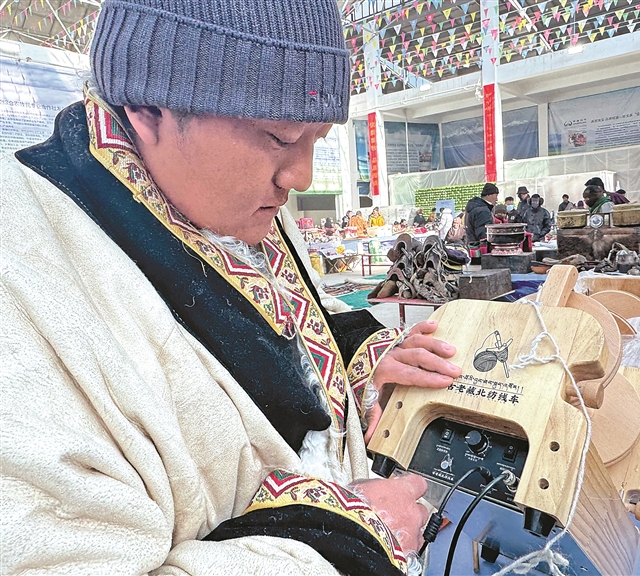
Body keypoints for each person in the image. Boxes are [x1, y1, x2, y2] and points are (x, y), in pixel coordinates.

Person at [1, 1, 464, 574]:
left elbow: (286, 324)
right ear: (148, 109)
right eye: (279, 137)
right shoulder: (22, 273)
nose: (301, 177)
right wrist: (343, 536)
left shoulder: (219, 197)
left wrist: (361, 359)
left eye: (317, 138)